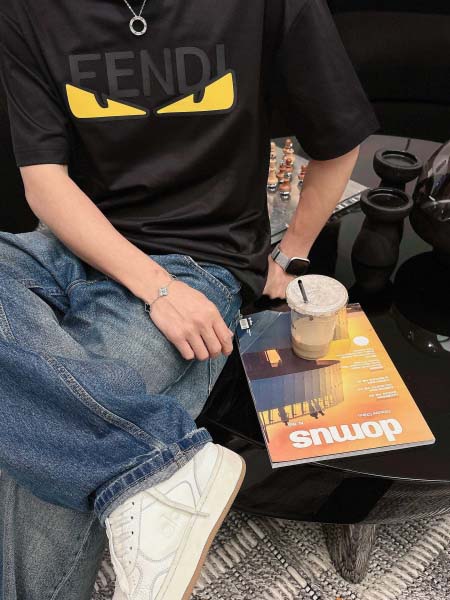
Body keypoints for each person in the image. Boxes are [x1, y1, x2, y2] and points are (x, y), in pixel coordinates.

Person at [0, 0, 379, 598]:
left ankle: (134, 473)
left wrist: (290, 255)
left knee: (41, 445)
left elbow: (338, 136)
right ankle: (157, 473)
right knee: (54, 418)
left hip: (197, 258)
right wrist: (152, 286)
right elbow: (44, 180)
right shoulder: (27, 10)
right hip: (72, 240)